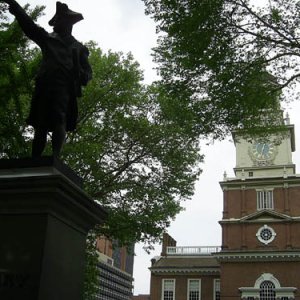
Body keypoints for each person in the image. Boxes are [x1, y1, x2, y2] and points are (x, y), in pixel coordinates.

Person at [2, 0, 92, 157]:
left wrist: (80, 73)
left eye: (57, 20)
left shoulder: (79, 49)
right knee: (40, 123)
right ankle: (35, 159)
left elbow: (87, 75)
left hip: (63, 87)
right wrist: (15, 7)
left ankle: (55, 158)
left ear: (67, 22)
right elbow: (29, 26)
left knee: (59, 118)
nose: (53, 24)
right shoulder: (47, 38)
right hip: (44, 84)